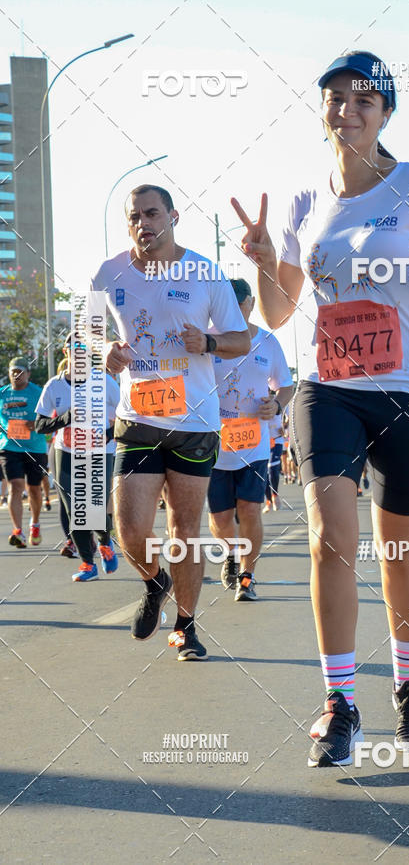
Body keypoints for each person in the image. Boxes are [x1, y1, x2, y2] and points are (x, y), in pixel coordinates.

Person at [232, 50, 409, 766]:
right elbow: (280, 314)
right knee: (327, 538)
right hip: (329, 388)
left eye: (365, 100)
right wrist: (258, 258)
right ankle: (340, 704)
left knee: (399, 552)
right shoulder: (306, 203)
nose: (349, 109)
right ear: (323, 112)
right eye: (336, 98)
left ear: (386, 114)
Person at [92, 184, 249, 659]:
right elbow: (85, 336)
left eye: (152, 213)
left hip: (194, 422)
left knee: (185, 529)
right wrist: (104, 352)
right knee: (130, 527)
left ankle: (186, 625)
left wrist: (208, 343)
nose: (143, 223)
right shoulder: (108, 273)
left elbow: (240, 340)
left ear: (173, 216)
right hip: (137, 416)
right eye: (134, 216)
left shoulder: (205, 272)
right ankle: (154, 581)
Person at [207, 278, 294, 600]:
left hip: (253, 445)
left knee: (250, 510)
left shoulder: (267, 342)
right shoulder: (208, 340)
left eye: (237, 305)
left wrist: (277, 404)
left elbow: (286, 385)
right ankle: (230, 556)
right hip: (213, 446)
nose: (231, 312)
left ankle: (247, 575)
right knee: (220, 519)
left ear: (250, 304)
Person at [35, 331, 121, 581]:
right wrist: (66, 418)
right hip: (67, 452)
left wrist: (109, 432)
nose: (79, 354)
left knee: (94, 507)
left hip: (99, 451)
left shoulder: (103, 381)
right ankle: (87, 564)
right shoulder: (54, 385)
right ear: (66, 352)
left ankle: (105, 542)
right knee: (75, 509)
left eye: (84, 349)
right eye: (75, 349)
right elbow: (40, 424)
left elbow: (128, 411)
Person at [0, 357, 48, 547]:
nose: (16, 375)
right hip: (10, 447)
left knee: (34, 490)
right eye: (13, 371)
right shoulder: (2, 394)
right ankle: (18, 531)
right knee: (15, 486)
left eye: (20, 371)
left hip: (35, 448)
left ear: (28, 374)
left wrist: (35, 425)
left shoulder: (38, 393)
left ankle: (34, 524)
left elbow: (51, 417)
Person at [264, 411, 285, 512]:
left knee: (272, 468)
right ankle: (268, 500)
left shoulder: (281, 398)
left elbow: (288, 417)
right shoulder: (257, 398)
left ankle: (275, 495)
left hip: (277, 440)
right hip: (262, 442)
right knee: (263, 473)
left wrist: (284, 427)